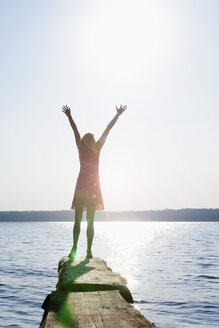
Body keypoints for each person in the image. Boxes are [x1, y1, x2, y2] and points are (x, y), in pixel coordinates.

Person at [62, 104, 126, 259]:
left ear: (84, 140)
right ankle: (89, 251)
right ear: (93, 140)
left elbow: (75, 131)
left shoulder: (81, 147)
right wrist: (117, 115)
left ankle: (74, 248)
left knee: (77, 220)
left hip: (81, 188)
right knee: (90, 222)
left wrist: (69, 116)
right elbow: (107, 130)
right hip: (93, 189)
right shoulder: (97, 148)